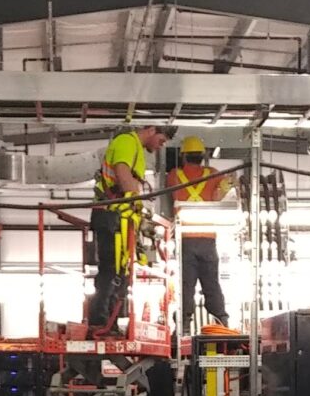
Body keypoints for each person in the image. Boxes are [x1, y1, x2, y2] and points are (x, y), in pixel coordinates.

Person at [88, 118, 167, 336]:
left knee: (120, 271)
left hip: (119, 216)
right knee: (111, 269)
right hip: (111, 215)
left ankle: (109, 323)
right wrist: (136, 202)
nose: (161, 146)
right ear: (151, 129)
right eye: (161, 140)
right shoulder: (126, 142)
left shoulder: (134, 147)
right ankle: (100, 322)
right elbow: (122, 173)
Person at [170, 136, 233, 333]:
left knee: (186, 285)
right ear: (203, 156)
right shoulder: (213, 174)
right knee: (211, 283)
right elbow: (223, 190)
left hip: (185, 238)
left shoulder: (174, 175)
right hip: (208, 239)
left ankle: (183, 326)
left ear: (183, 156)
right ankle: (222, 322)